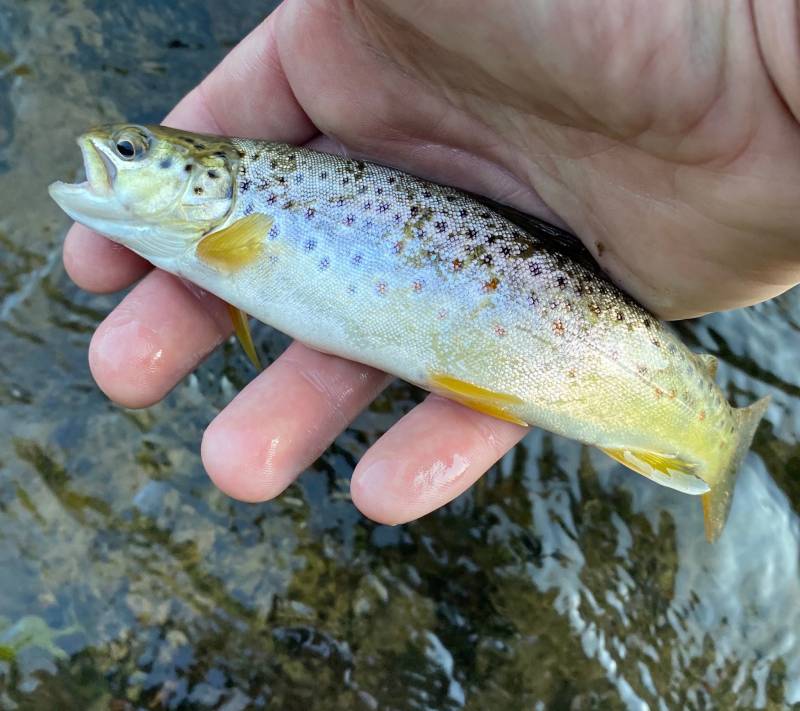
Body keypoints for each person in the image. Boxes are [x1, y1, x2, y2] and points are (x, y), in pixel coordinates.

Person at [63, 1, 800, 524]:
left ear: (209, 177)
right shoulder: (217, 231)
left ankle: (713, 433)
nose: (113, 153)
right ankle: (710, 433)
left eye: (132, 152)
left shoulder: (231, 221)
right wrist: (759, 54)